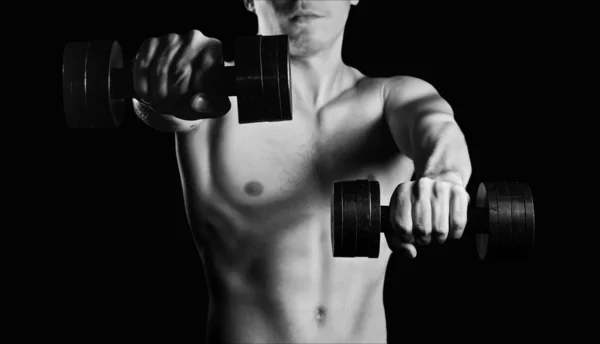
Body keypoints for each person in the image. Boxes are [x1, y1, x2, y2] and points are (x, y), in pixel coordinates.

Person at [132, 0, 472, 342]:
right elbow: (163, 108)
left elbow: (436, 126)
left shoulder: (390, 98)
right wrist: (153, 84)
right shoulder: (208, 96)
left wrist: (444, 179)